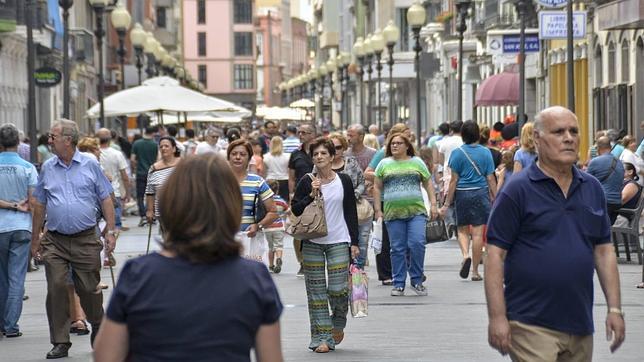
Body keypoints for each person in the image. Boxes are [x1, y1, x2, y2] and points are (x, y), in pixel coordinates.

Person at [93, 154, 284, 362]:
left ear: (170, 203)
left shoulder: (138, 274)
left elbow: (106, 356)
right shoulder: (254, 277)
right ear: (231, 205)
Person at [485, 106, 625, 360]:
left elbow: (604, 251)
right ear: (537, 139)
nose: (569, 137)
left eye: (574, 131)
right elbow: (495, 255)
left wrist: (615, 309)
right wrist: (497, 317)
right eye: (559, 132)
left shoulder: (592, 188)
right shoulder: (517, 190)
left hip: (580, 323)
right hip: (530, 322)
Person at [30, 119, 117, 359]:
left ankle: (97, 323)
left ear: (67, 140)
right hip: (55, 239)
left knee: (88, 288)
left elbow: (106, 198)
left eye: (53, 136)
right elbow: (39, 203)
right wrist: (35, 237)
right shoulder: (48, 167)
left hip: (85, 238)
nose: (49, 140)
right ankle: (60, 341)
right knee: (57, 287)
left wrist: (110, 231)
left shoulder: (90, 164)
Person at [291, 137, 359, 353]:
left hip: (339, 240)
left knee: (338, 289)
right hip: (312, 241)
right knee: (316, 292)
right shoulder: (307, 181)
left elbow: (351, 212)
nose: (319, 157)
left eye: (323, 153)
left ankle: (337, 322)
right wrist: (311, 194)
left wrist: (355, 242)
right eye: (316, 154)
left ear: (332, 157)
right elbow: (296, 210)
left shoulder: (344, 181)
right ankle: (322, 338)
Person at [374, 133, 438, 296]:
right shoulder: (384, 164)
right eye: (392, 143)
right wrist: (377, 210)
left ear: (407, 146)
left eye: (399, 143)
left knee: (417, 243)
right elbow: (377, 187)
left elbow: (428, 182)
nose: (395, 146)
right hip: (393, 213)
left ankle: (417, 281)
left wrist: (433, 203)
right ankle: (399, 283)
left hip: (416, 211)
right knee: (397, 248)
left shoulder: (417, 162)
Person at [440, 121, 496, 281]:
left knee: (462, 229)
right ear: (478, 134)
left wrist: (446, 203)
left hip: (463, 194)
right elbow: (491, 178)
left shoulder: (457, 153)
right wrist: (497, 197)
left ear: (462, 135)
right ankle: (475, 272)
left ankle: (465, 255)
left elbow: (453, 180)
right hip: (481, 193)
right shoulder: (486, 153)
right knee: (478, 233)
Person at [0, 124, 38, 338]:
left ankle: (2, 322)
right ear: (18, 143)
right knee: (16, 278)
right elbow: (34, 202)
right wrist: (38, 231)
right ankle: (11, 325)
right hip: (22, 227)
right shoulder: (27, 167)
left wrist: (9, 205)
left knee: (2, 277)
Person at [364, 123, 410, 286]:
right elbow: (367, 172)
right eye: (406, 134)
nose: (409, 137)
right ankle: (385, 274)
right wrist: (385, 176)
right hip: (385, 199)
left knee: (405, 238)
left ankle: (406, 270)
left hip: (406, 200)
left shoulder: (410, 154)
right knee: (385, 239)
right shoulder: (383, 153)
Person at [325, 133, 367, 268]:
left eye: (337, 147)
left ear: (343, 148)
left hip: (352, 209)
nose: (334, 150)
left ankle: (356, 271)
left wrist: (355, 194)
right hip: (330, 211)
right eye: (331, 147)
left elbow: (362, 182)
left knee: (359, 242)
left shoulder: (351, 162)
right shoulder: (321, 164)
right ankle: (341, 270)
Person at [227, 139, 277, 243]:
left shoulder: (258, 182)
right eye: (234, 154)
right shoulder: (217, 181)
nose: (237, 157)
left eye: (242, 154)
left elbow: (273, 212)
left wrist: (258, 225)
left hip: (250, 240)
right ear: (228, 157)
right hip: (223, 240)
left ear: (249, 158)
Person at [288, 124, 316, 277]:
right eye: (299, 132)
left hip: (318, 193)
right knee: (298, 229)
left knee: (317, 226)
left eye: (304, 132)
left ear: (313, 134)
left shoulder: (319, 151)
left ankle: (315, 260)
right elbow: (291, 177)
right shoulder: (295, 154)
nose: (301, 135)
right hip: (300, 195)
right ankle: (302, 262)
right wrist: (291, 195)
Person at [96, 129, 131, 232]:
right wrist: (127, 194)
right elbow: (124, 176)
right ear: (110, 139)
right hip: (114, 193)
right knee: (115, 227)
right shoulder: (117, 154)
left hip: (97, 194)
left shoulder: (92, 154)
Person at [587, 136, 625, 224]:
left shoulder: (595, 161)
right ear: (610, 147)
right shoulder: (619, 162)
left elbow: (585, 183)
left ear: (598, 148)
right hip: (616, 203)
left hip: (602, 202)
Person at [145, 137, 181, 226]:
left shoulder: (184, 164)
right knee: (167, 237)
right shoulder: (154, 168)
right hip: (163, 211)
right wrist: (150, 210)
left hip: (183, 209)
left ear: (174, 149)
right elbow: (150, 191)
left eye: (166, 146)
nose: (163, 148)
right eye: (161, 147)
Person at [131, 126, 158, 227]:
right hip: (152, 173)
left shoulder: (137, 143)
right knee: (151, 195)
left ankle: (143, 216)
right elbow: (158, 159)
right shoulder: (155, 144)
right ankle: (150, 214)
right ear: (153, 133)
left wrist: (135, 168)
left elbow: (133, 159)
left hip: (140, 173)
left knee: (140, 196)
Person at [264, 180, 289, 274]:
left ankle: (271, 265)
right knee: (279, 245)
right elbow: (288, 211)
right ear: (277, 190)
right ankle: (279, 258)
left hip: (267, 228)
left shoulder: (265, 201)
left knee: (271, 247)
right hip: (279, 227)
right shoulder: (281, 201)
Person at [263, 136, 291, 202]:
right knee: (284, 201)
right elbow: (289, 170)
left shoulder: (265, 157)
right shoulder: (288, 156)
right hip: (284, 180)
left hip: (270, 180)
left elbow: (264, 172)